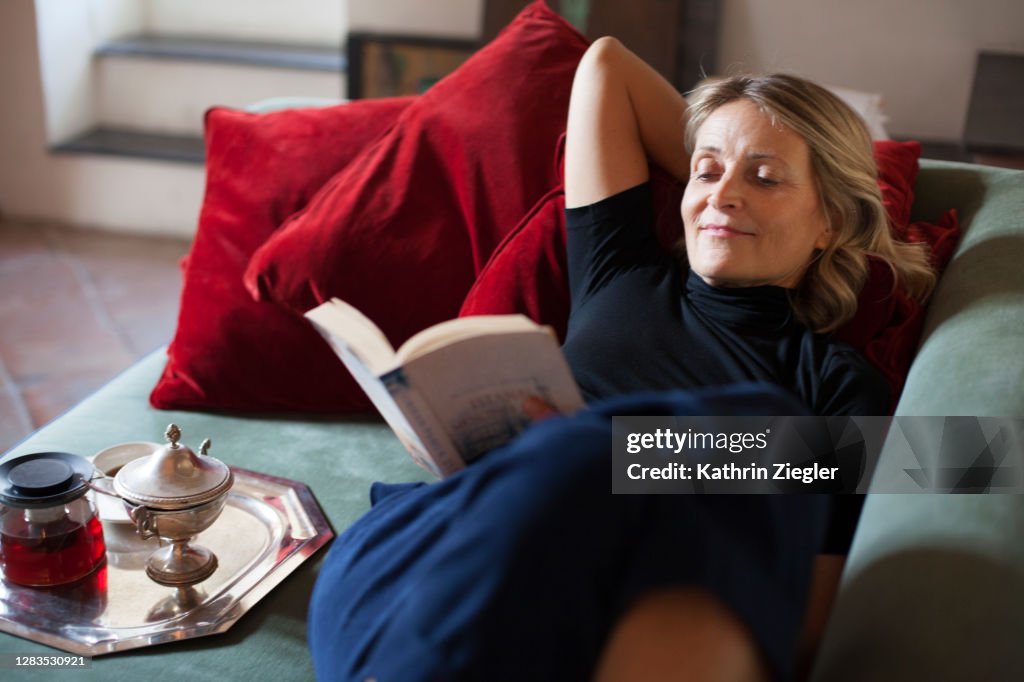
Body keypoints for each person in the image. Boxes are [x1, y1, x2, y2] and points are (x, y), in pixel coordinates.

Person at [308, 37, 935, 682]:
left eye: (767, 177)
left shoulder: (832, 380)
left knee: (771, 438)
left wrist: (611, 455)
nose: (721, 196)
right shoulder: (621, 270)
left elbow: (808, 617)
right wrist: (729, 147)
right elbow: (606, 65)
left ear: (831, 219)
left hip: (598, 584)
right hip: (432, 546)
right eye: (705, 171)